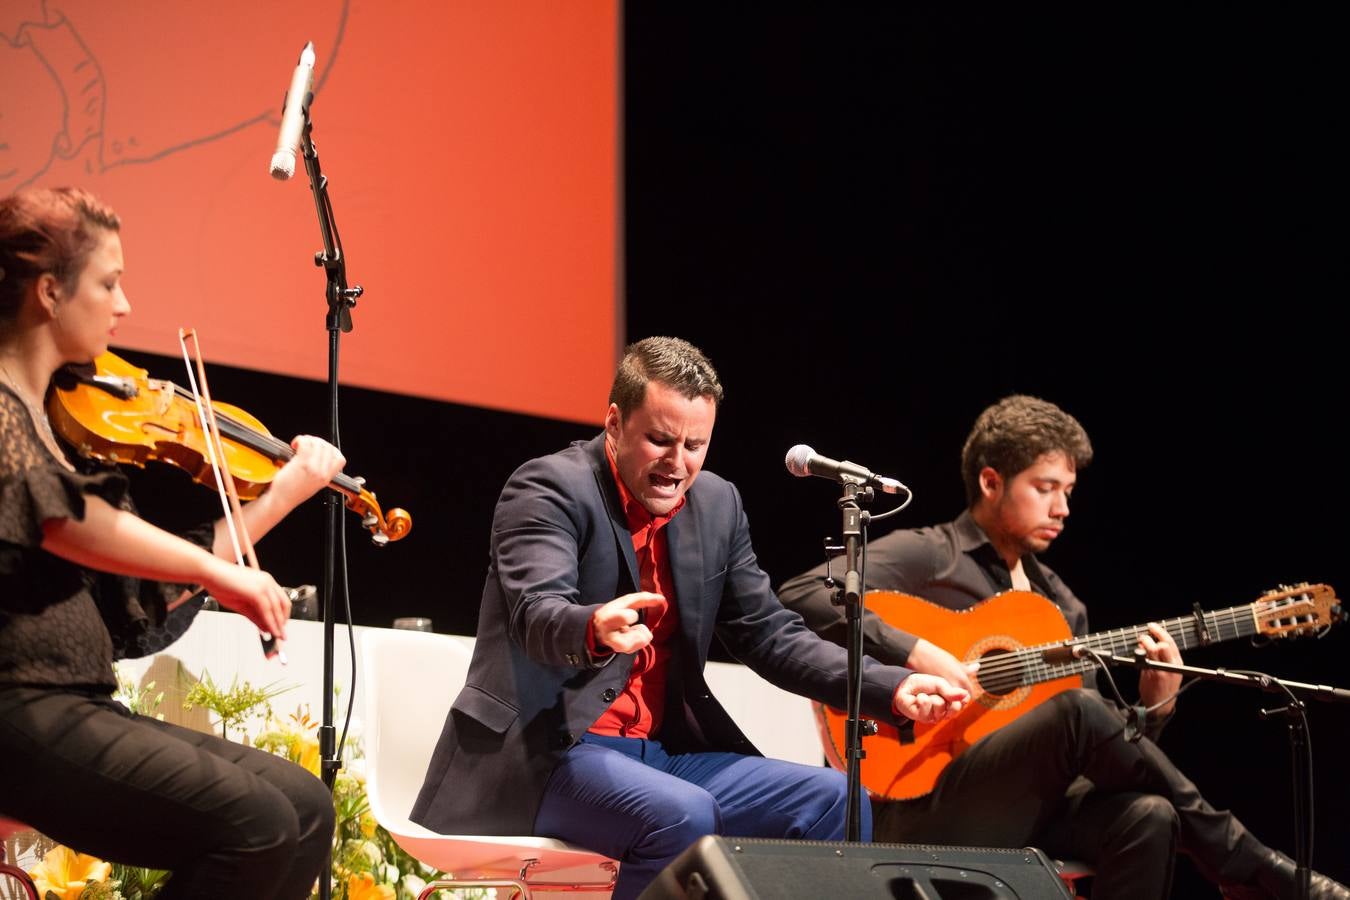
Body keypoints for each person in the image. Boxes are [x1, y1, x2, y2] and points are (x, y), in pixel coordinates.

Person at [411, 336, 969, 900]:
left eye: (695, 445)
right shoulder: (549, 487)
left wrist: (890, 685)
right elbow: (537, 609)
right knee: (682, 815)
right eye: (659, 440)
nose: (677, 464)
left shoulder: (717, 505)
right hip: (548, 751)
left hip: (662, 752)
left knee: (833, 797)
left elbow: (770, 633)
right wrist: (593, 627)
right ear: (613, 423)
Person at [778, 394, 1349, 900]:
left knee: (1147, 816)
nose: (1063, 509)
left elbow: (1104, 760)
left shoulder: (1061, 606)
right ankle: (1251, 864)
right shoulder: (933, 555)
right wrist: (918, 651)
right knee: (1078, 711)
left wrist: (1156, 707)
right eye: (1045, 488)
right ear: (991, 482)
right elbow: (804, 592)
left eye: (1068, 492)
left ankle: (1244, 865)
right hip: (914, 800)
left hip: (1023, 810)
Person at [0, 186, 345, 900]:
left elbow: (131, 586)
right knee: (256, 827)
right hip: (17, 708)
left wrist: (277, 499)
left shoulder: (47, 422)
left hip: (73, 703)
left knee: (306, 808)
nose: (124, 307)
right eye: (109, 282)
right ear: (47, 292)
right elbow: (66, 520)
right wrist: (222, 577)